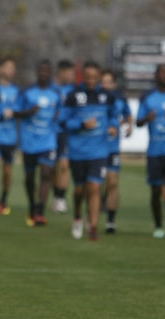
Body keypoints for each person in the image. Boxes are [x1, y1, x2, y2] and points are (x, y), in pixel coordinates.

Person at [61, 61, 118, 241]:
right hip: (78, 152)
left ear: (99, 77)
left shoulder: (107, 96)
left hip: (99, 152)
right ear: (82, 77)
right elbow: (63, 122)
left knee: (94, 188)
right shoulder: (73, 96)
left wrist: (113, 127)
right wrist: (82, 125)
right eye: (88, 77)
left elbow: (114, 117)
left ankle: (92, 227)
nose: (91, 81)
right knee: (79, 190)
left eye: (95, 77)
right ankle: (77, 214)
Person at [14, 60, 60, 226]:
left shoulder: (55, 93)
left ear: (50, 73)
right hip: (29, 141)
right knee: (30, 177)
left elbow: (60, 111)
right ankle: (32, 205)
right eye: (41, 70)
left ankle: (40, 211)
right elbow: (15, 112)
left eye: (46, 71)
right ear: (37, 72)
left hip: (48, 141)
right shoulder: (27, 93)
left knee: (46, 173)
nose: (43, 74)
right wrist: (29, 111)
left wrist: (57, 118)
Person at [136, 64, 165, 238]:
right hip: (154, 151)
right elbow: (138, 122)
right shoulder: (148, 98)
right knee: (155, 190)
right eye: (162, 73)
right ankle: (158, 226)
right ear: (156, 76)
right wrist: (147, 118)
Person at [100, 69, 133, 234]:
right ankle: (89, 215)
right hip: (96, 148)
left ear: (113, 84)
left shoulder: (119, 100)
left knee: (112, 182)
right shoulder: (95, 99)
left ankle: (110, 221)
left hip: (112, 148)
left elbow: (128, 114)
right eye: (102, 82)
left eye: (108, 82)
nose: (104, 85)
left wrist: (130, 126)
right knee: (95, 185)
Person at [0, 57, 20, 215]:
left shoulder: (16, 91)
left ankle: (4, 200)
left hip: (10, 136)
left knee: (7, 171)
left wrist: (14, 112)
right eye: (8, 67)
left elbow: (20, 109)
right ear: (0, 69)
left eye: (12, 68)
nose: (11, 71)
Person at [51, 59, 76, 213]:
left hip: (65, 132)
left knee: (65, 165)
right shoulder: (50, 88)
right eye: (71, 73)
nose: (73, 76)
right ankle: (55, 195)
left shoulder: (73, 91)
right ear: (62, 72)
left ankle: (60, 197)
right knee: (52, 167)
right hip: (50, 133)